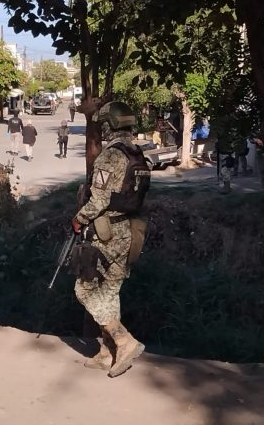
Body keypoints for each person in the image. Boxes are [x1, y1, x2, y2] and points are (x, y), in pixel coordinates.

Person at [71, 101, 150, 378]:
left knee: (85, 290)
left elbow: (100, 199)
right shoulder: (137, 154)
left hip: (106, 234)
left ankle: (123, 340)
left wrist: (79, 218)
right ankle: (107, 352)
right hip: (128, 231)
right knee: (110, 291)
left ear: (110, 125)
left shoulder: (109, 156)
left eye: (104, 124)